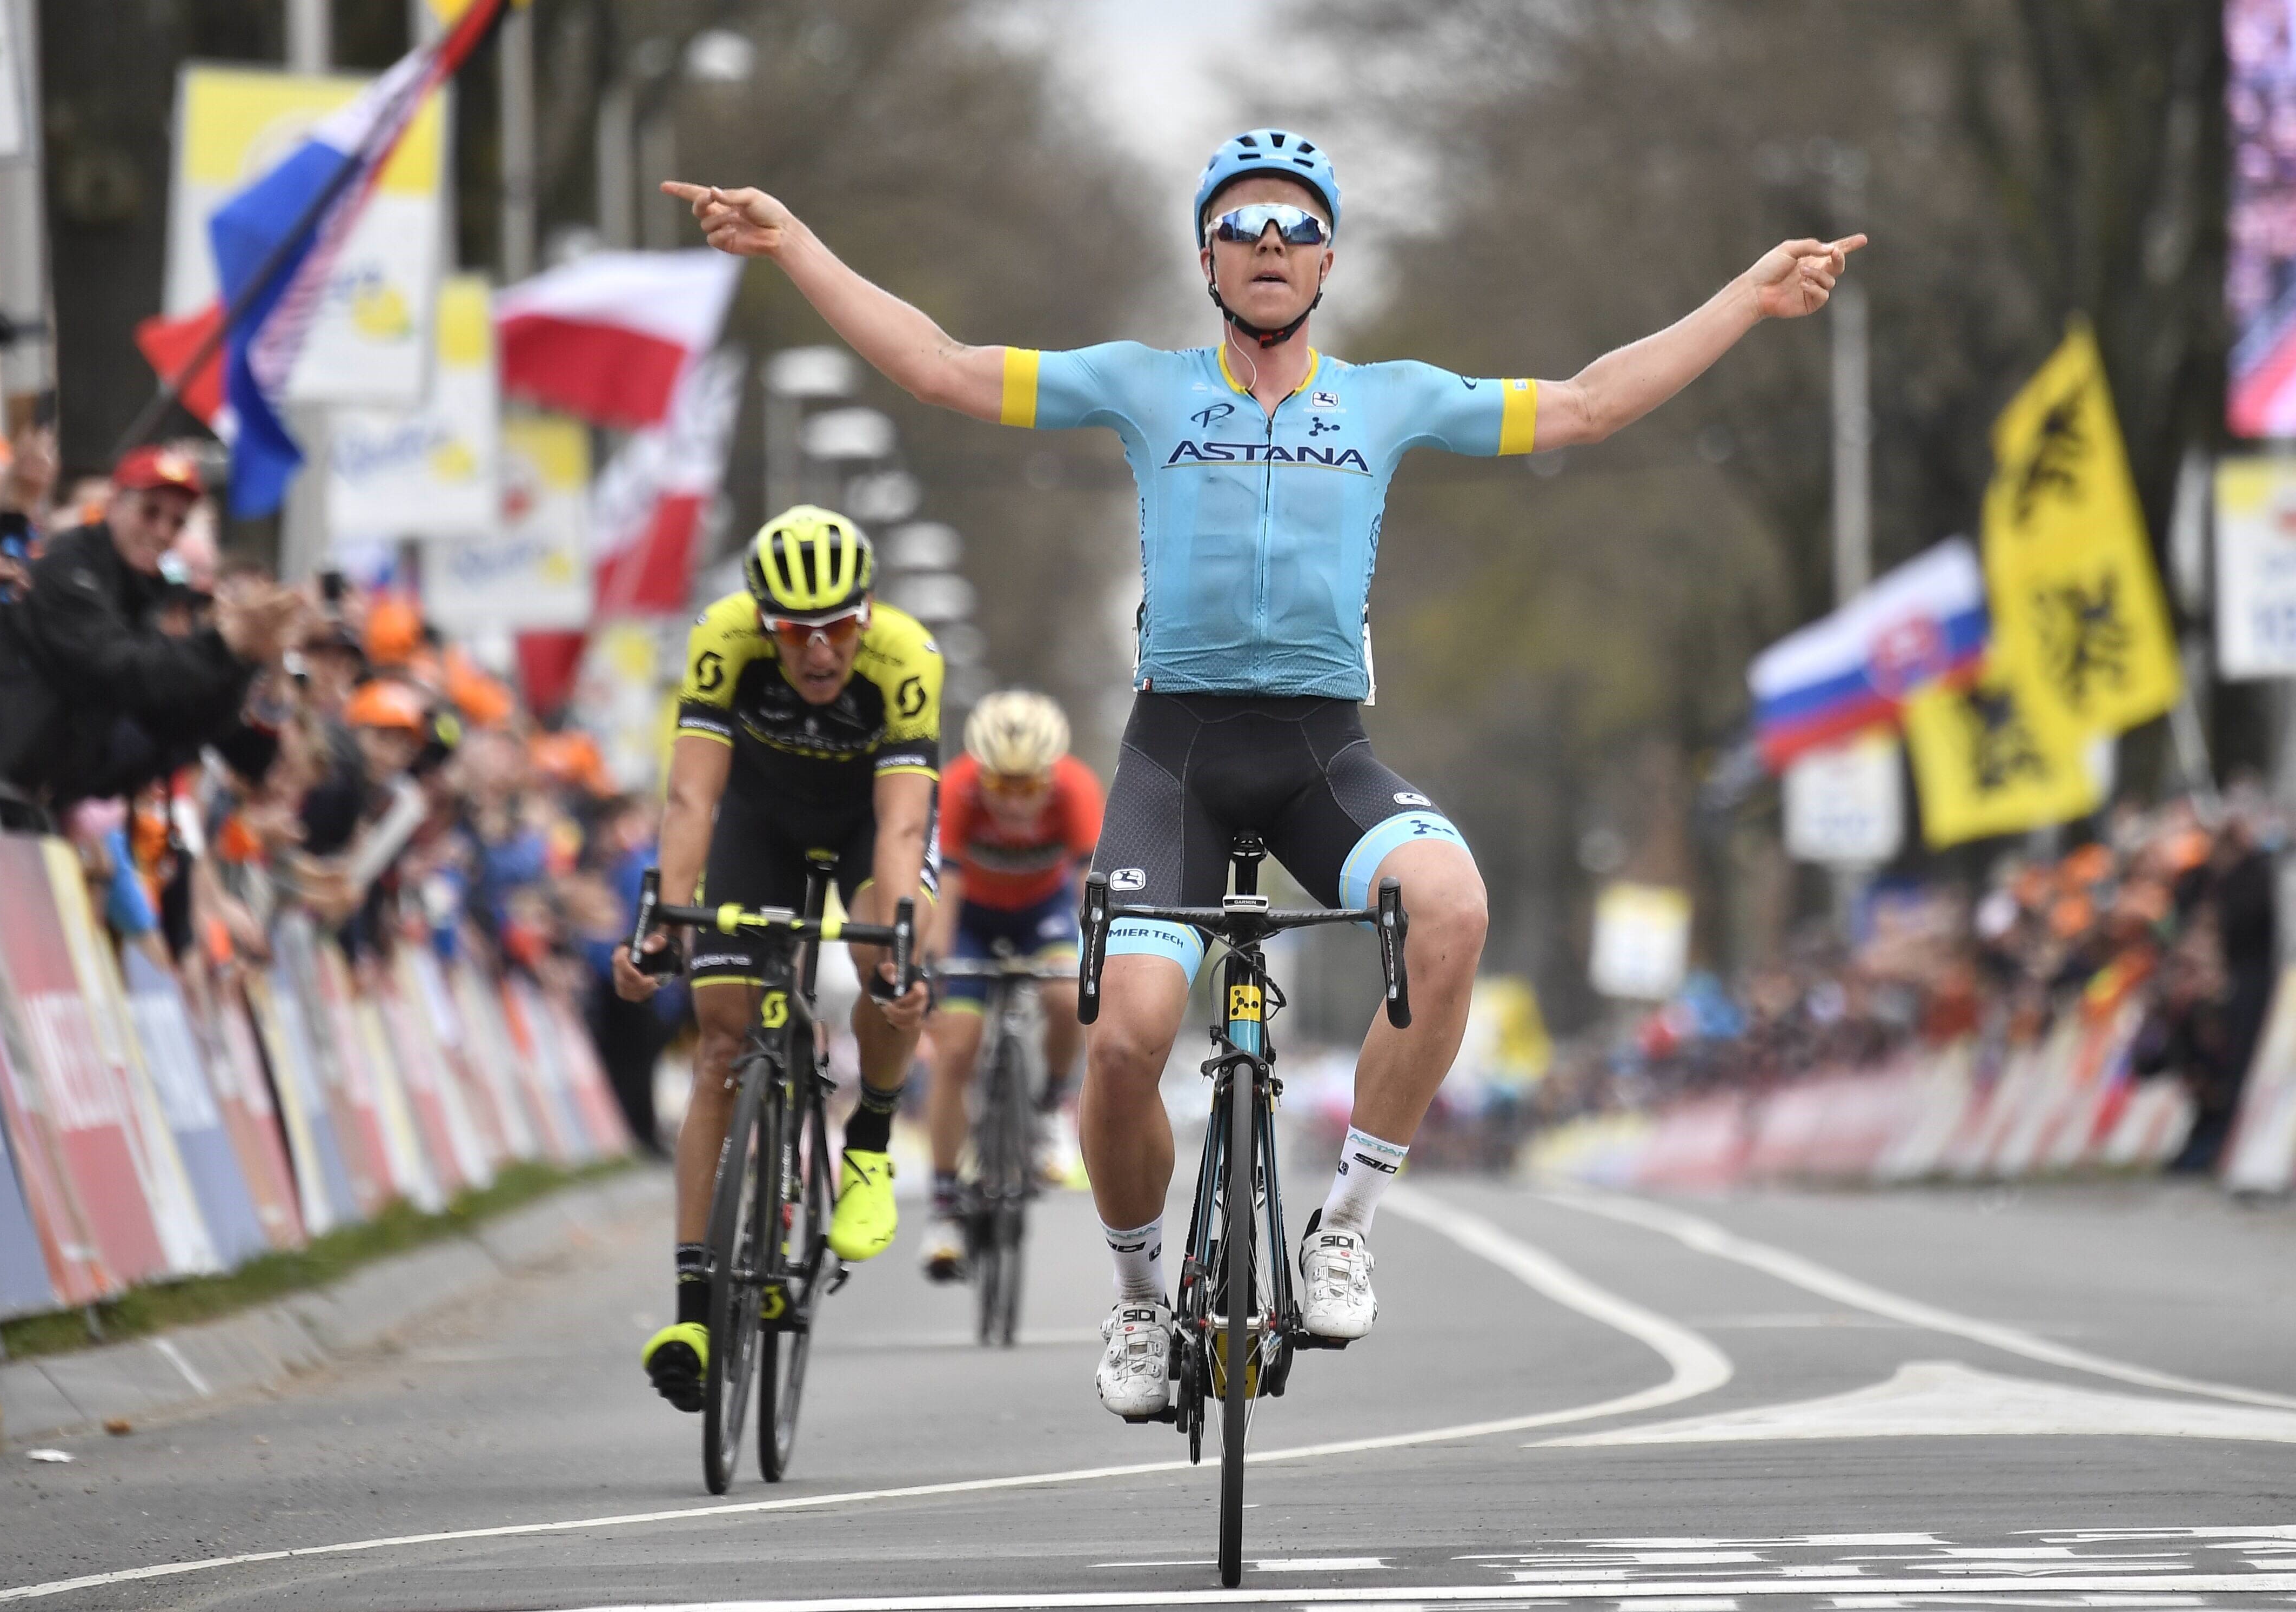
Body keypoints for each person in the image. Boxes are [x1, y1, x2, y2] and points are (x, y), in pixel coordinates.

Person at [668, 129, 1860, 1418]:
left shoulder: (1391, 396)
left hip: (1320, 754)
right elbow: (945, 369)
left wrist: (1748, 298)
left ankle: (1343, 1221)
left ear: (1332, 256)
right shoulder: (1144, 386)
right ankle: (1136, 1302)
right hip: (1174, 755)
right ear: (1208, 257)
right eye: (1244, 225)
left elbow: (1586, 403)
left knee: (1450, 907)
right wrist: (796, 249)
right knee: (1122, 1044)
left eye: (1296, 224)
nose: (1271, 243)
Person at [612, 506, 941, 1414]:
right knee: (722, 1045)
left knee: (890, 958)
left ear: (865, 614)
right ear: (764, 622)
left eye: (839, 626)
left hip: (871, 815)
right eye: (797, 633)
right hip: (762, 823)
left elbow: (906, 825)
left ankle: (869, 1138)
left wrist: (900, 938)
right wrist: (662, 922)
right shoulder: (721, 641)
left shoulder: (907, 655)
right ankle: (693, 1313)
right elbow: (690, 794)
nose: (822, 651)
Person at [0, 443, 305, 803]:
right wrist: (223, 644)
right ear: (115, 503)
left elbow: (177, 723)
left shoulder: (147, 598)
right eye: (150, 512)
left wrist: (243, 659)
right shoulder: (69, 565)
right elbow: (118, 668)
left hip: (20, 796)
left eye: (176, 523)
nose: (162, 531)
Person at [919, 690, 1101, 1280]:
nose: (1018, 800)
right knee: (956, 1049)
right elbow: (944, 891)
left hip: (1041, 913)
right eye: (1004, 785)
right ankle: (945, 1205)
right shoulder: (956, 787)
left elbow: (1086, 892)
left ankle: (1048, 1105)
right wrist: (935, 967)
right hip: (972, 915)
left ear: (1051, 773)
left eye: (1030, 786)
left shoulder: (1075, 789)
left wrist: (1093, 961)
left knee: (1063, 993)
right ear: (981, 771)